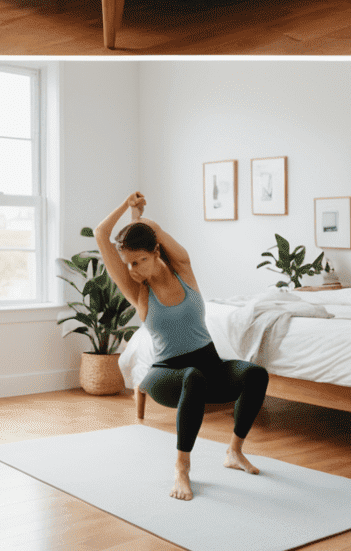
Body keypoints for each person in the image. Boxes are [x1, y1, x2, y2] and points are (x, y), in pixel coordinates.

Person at [96, 192, 269, 501]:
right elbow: (101, 234)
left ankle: (234, 451)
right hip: (167, 375)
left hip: (210, 366)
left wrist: (140, 214)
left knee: (255, 374)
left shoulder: (184, 271)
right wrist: (126, 205)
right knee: (193, 377)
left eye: (140, 260)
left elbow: (153, 231)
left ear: (156, 251)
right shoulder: (138, 291)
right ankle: (182, 469)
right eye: (129, 263)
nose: (134, 269)